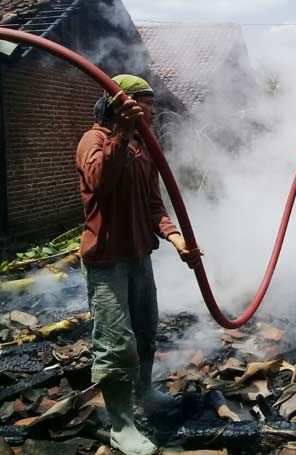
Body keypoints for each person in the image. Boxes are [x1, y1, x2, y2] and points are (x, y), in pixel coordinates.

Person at [76, 74, 202, 455]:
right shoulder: (94, 140)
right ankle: (121, 426)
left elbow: (154, 205)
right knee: (116, 343)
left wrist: (176, 238)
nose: (150, 109)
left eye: (149, 102)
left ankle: (144, 392)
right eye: (143, 102)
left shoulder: (143, 149)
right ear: (119, 104)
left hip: (138, 256)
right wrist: (122, 133)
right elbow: (101, 180)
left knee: (145, 330)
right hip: (106, 259)